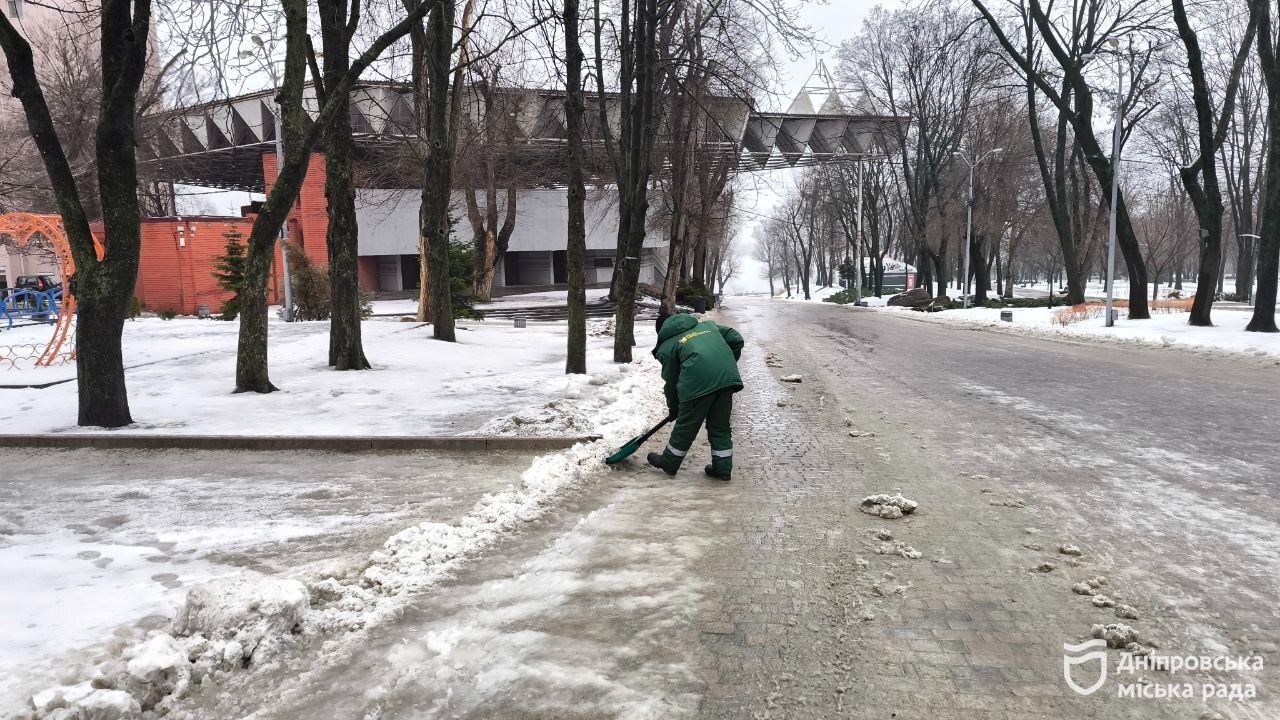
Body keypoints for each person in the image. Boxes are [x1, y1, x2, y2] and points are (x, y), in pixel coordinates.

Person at [647, 311, 745, 481]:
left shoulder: (669, 345)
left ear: (662, 331)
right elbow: (735, 338)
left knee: (686, 426)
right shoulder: (708, 326)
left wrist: (675, 408)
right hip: (726, 380)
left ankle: (669, 462)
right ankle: (722, 469)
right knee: (720, 426)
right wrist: (723, 363)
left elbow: (671, 382)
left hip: (697, 384)